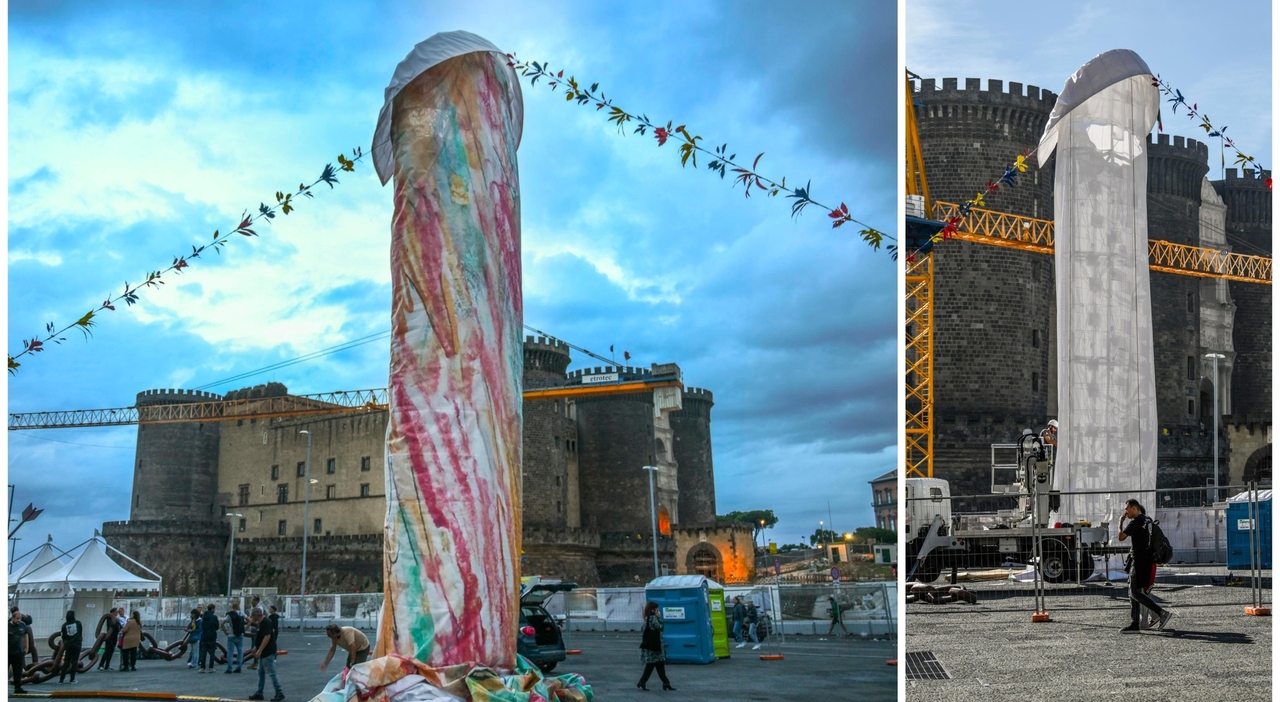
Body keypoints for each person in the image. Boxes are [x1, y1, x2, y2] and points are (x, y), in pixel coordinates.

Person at [1118, 498, 1173, 633]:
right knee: (1134, 592)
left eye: (1127, 508)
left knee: (1135, 592)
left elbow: (1121, 537)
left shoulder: (1136, 522)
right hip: (1147, 560)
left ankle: (1161, 613)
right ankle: (1135, 623)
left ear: (1134, 508)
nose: (1126, 511)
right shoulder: (1147, 520)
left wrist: (1120, 522)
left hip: (1139, 561)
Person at [247, 607, 284, 701]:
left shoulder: (265, 622)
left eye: (252, 615)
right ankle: (259, 692)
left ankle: (279, 692)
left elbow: (267, 637)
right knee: (261, 672)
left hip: (267, 652)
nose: (251, 617)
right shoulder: (261, 623)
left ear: (256, 615)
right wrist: (256, 648)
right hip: (265, 652)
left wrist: (259, 650)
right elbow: (262, 637)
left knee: (271, 673)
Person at [636, 602, 673, 691]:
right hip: (654, 646)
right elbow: (660, 627)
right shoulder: (653, 618)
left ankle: (665, 682)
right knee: (653, 665)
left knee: (658, 664)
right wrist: (659, 618)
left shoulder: (646, 618)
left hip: (650, 645)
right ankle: (643, 682)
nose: (658, 610)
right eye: (657, 609)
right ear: (653, 609)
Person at [58, 610, 84, 684]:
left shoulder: (64, 625)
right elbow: (80, 632)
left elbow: (63, 636)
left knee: (66, 661)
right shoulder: (78, 623)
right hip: (77, 644)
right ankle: (72, 678)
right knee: (74, 662)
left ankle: (61, 679)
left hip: (68, 644)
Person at [223, 600, 247, 673]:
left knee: (230, 652)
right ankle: (239, 667)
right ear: (238, 607)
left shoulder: (229, 615)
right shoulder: (241, 613)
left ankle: (229, 668)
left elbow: (222, 624)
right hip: (240, 635)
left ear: (232, 607)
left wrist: (225, 631)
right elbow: (249, 621)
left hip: (231, 635)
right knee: (240, 651)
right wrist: (245, 629)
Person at [9, 609, 30, 694]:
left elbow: (25, 635)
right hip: (8, 652)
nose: (19, 620)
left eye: (20, 618)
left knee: (18, 671)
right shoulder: (7, 626)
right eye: (17, 619)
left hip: (18, 652)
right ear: (13, 618)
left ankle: (18, 687)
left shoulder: (22, 625)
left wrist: (26, 647)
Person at [200, 604, 220, 672]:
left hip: (204, 636)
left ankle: (202, 667)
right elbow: (217, 626)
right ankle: (211, 667)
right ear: (212, 609)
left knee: (204, 652)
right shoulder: (214, 617)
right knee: (212, 653)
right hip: (212, 636)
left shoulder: (204, 617)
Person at [246, 599, 262, 670]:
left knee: (255, 645)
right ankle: (255, 662)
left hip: (256, 628)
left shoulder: (259, 608)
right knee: (253, 645)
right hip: (253, 627)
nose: (251, 602)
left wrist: (249, 622)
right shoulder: (252, 608)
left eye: (253, 601)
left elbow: (254, 618)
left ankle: (257, 662)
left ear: (257, 601)